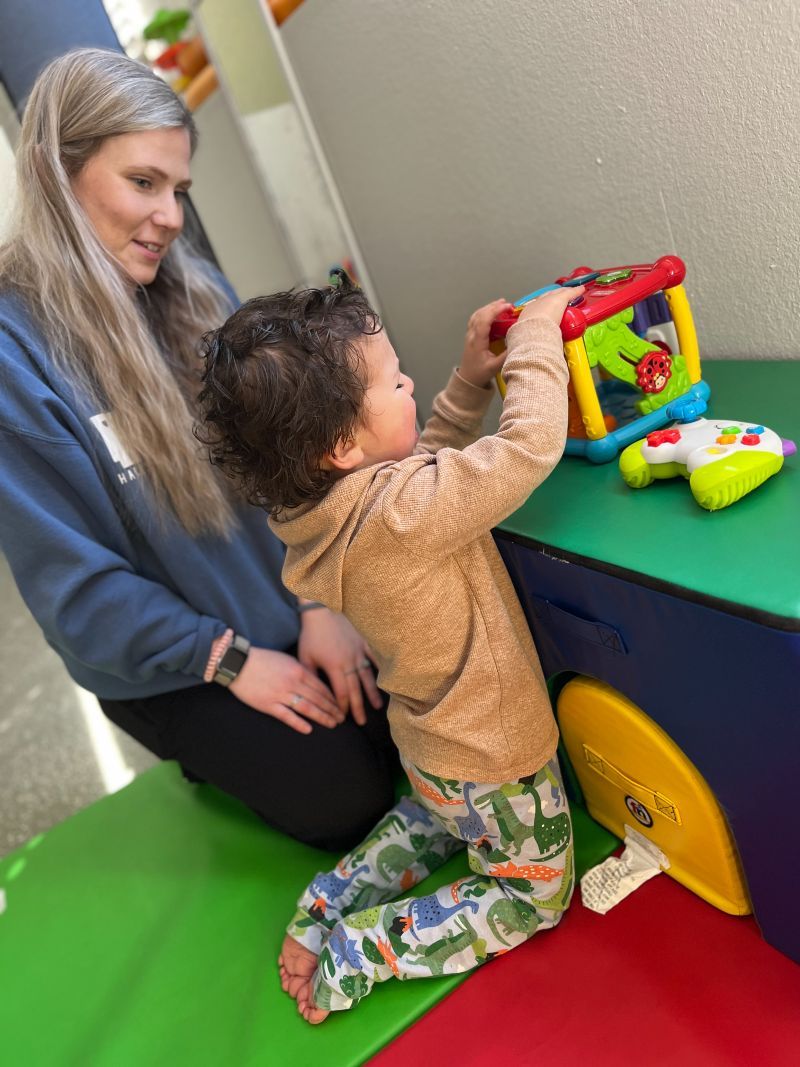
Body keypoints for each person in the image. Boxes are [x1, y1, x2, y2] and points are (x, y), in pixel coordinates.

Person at [0, 48, 399, 853]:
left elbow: (285, 462)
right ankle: (203, 747)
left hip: (277, 591)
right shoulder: (14, 357)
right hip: (169, 656)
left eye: (178, 189)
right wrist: (228, 661)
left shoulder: (191, 291)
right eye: (143, 183)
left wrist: (321, 603)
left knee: (409, 719)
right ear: (53, 172)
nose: (173, 217)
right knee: (344, 799)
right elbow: (81, 595)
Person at [197, 273, 584, 1021]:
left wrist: (470, 380)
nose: (409, 381)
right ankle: (368, 945)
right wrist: (538, 335)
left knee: (437, 820)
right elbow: (530, 446)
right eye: (395, 379)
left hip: (432, 747)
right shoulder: (401, 515)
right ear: (342, 445)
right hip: (493, 750)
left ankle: (327, 901)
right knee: (536, 895)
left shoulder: (327, 514)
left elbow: (420, 466)